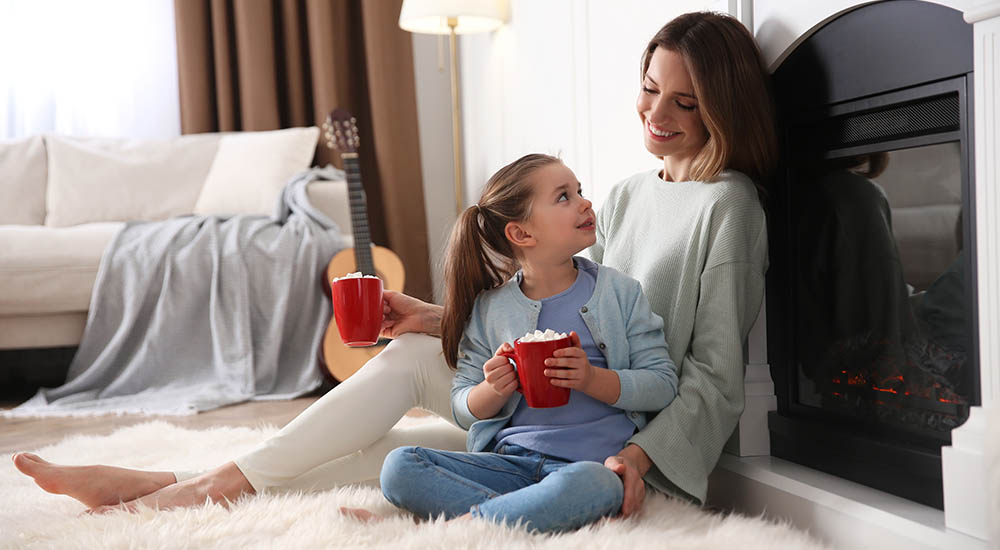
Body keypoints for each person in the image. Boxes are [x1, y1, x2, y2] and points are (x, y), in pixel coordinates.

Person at [13, 11, 776, 517]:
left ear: (723, 105)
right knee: (403, 389)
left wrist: (638, 458)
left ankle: (182, 490)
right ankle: (182, 488)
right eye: (650, 91)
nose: (656, 114)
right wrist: (438, 317)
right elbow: (560, 304)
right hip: (536, 421)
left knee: (388, 450)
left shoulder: (728, 207)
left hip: (613, 428)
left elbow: (711, 374)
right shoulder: (633, 192)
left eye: (685, 102)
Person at [362, 153, 678, 533]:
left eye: (579, 191)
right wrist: (491, 390)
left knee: (597, 486)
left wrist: (591, 379)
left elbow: (662, 385)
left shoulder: (621, 293)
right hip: (510, 465)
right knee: (400, 467)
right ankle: (519, 514)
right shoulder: (489, 308)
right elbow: (463, 406)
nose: (585, 202)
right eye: (564, 197)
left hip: (586, 466)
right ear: (522, 234)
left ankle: (468, 523)